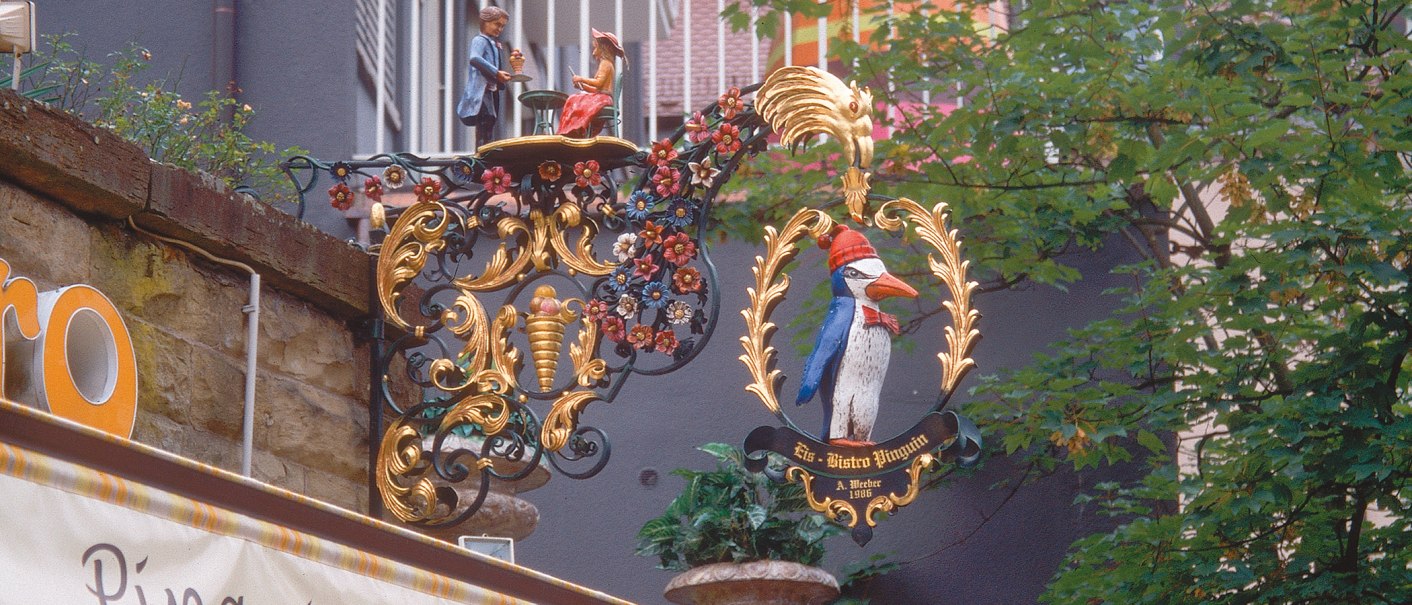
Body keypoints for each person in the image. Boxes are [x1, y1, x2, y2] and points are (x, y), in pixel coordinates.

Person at [457, 6, 512, 150]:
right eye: (497, 24)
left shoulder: (493, 44)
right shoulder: (479, 40)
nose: (499, 29)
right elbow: (474, 58)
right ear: (485, 22)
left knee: (490, 119)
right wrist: (496, 73)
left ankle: (486, 149)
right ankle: (482, 150)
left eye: (502, 26)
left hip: (489, 90)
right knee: (486, 118)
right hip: (482, 90)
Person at [558, 29, 626, 138]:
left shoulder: (605, 64)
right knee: (574, 99)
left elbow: (598, 84)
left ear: (603, 48)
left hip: (603, 99)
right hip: (602, 97)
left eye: (596, 46)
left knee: (574, 100)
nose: (594, 49)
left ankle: (574, 129)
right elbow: (597, 89)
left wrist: (581, 79)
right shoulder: (605, 64)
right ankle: (573, 130)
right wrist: (583, 86)